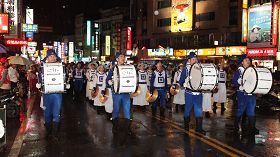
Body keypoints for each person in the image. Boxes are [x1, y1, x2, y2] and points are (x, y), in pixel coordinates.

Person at [36, 49, 69, 142]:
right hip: (47, 94)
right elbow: (40, 78)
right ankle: (48, 132)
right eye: (50, 56)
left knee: (56, 114)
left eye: (54, 56)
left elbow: (64, 77)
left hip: (57, 93)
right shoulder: (43, 67)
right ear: (47, 57)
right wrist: (39, 84)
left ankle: (54, 134)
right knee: (47, 114)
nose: (53, 57)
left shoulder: (60, 66)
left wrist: (66, 83)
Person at [106, 52, 133, 145]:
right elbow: (107, 80)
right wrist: (110, 82)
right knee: (116, 110)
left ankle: (128, 128)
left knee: (127, 110)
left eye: (124, 57)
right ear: (117, 59)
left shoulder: (128, 67)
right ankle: (115, 126)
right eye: (121, 57)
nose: (123, 58)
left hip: (126, 93)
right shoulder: (113, 68)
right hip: (116, 93)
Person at [179, 52, 205, 133]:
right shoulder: (186, 69)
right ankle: (186, 126)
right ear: (189, 60)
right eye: (193, 59)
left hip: (198, 93)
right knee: (187, 110)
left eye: (195, 59)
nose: (195, 61)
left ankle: (199, 128)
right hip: (189, 93)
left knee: (199, 110)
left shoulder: (200, 68)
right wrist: (185, 83)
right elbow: (181, 81)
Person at [232, 54, 257, 137]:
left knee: (251, 111)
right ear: (242, 62)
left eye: (249, 60)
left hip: (251, 94)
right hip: (242, 94)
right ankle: (235, 126)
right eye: (246, 60)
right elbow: (234, 82)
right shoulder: (239, 71)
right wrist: (240, 84)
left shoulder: (252, 70)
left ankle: (252, 128)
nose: (248, 61)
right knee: (240, 110)